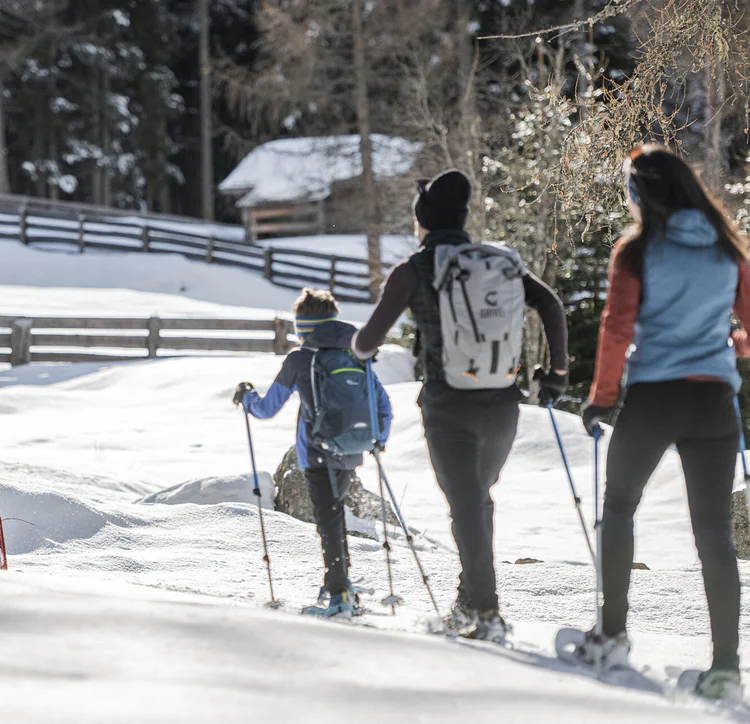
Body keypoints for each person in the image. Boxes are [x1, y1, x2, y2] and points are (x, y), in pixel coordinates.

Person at [350, 169, 569, 642]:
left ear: (423, 219)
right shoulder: (495, 262)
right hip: (502, 408)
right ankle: (469, 600)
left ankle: (486, 613)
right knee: (477, 502)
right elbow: (551, 306)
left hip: (449, 408)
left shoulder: (415, 269)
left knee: (467, 507)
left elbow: (368, 343)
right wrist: (556, 374)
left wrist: (355, 350)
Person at [578, 145, 748, 699]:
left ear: (642, 193)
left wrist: (601, 398)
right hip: (714, 401)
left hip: (653, 398)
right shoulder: (728, 249)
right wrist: (731, 346)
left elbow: (616, 327)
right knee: (715, 534)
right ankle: (725, 667)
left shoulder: (638, 249)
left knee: (620, 506)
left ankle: (611, 634)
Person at [234, 288, 393, 619]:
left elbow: (266, 409)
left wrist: (247, 397)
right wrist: (379, 440)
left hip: (317, 454)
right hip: (353, 451)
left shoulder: (299, 359)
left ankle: (339, 596)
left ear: (303, 326)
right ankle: (338, 583)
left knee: (329, 522)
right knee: (333, 519)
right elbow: (383, 405)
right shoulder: (357, 354)